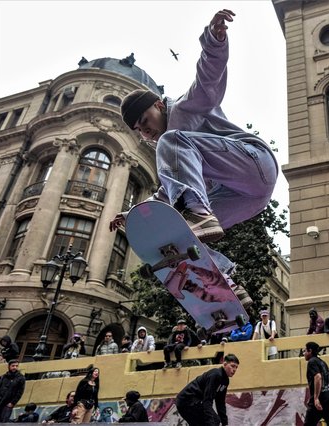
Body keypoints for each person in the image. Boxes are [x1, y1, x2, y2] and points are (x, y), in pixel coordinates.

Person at [110, 8, 278, 277]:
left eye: (146, 120)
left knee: (171, 142)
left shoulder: (185, 109)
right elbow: (166, 196)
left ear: (158, 104)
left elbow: (207, 78)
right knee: (179, 231)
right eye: (139, 130)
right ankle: (224, 277)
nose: (146, 131)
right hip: (249, 198)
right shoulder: (174, 159)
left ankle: (199, 213)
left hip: (254, 163)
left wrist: (214, 40)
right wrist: (133, 215)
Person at [175, 353, 239, 426]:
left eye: (236, 367)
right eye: (232, 366)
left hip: (194, 402)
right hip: (186, 401)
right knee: (213, 421)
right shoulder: (216, 375)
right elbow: (207, 400)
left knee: (214, 421)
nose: (234, 370)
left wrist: (225, 423)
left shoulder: (225, 381)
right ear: (224, 364)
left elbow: (220, 402)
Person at [303, 341, 329, 426]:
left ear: (310, 351)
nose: (303, 353)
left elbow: (318, 377)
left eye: (305, 351)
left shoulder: (311, 362)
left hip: (322, 400)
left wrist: (315, 398)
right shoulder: (322, 362)